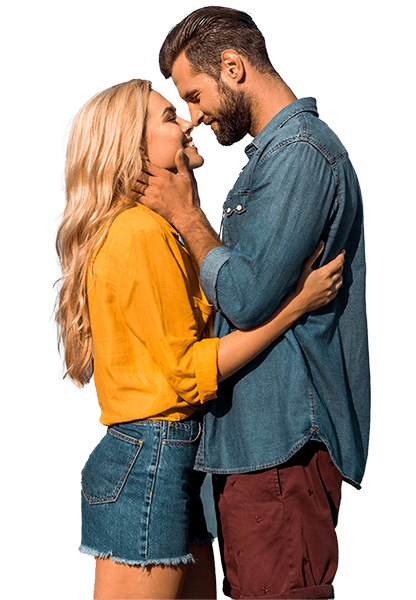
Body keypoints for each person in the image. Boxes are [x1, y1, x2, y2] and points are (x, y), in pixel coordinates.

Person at [53, 78, 344, 600]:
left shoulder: (151, 230)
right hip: (151, 456)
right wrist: (293, 307)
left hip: (164, 454)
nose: (187, 121)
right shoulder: (140, 233)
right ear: (132, 149)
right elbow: (187, 371)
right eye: (169, 116)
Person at [136, 6, 371, 600]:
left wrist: (186, 216)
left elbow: (244, 298)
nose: (193, 116)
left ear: (234, 68)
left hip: (281, 449)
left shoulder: (300, 156)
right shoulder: (271, 158)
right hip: (254, 451)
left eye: (193, 94)